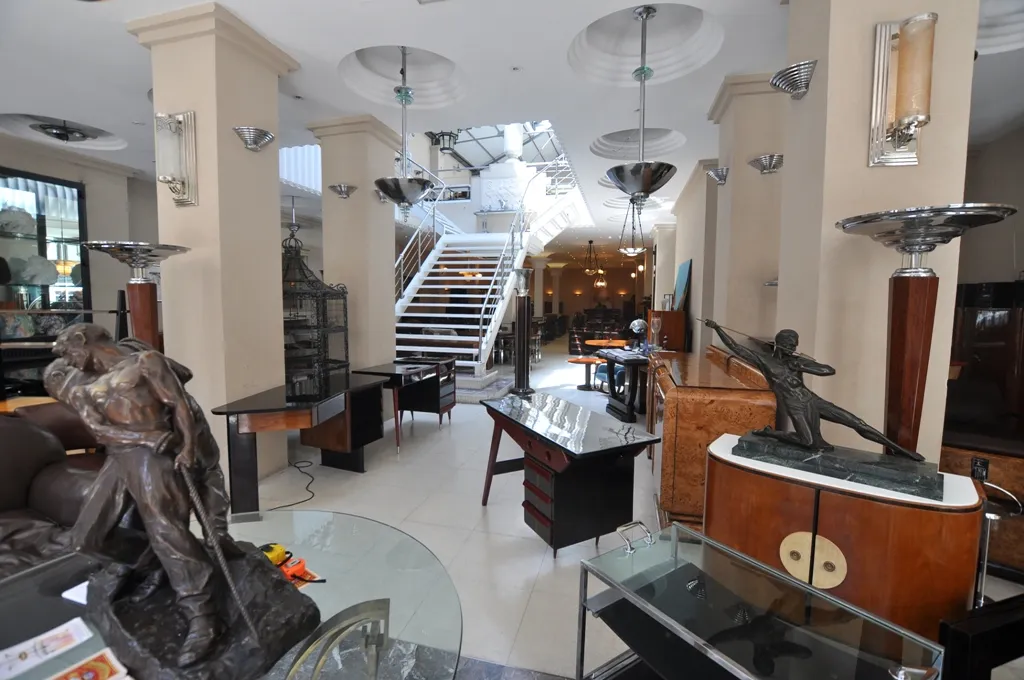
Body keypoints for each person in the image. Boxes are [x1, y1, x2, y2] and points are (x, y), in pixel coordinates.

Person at [46, 324, 226, 666]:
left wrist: (187, 446)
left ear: (84, 342)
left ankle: (202, 614)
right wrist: (143, 440)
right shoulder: (84, 388)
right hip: (125, 453)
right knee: (87, 537)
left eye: (68, 352)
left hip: (155, 456)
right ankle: (153, 563)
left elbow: (179, 404)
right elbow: (99, 430)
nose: (68, 361)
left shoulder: (146, 361)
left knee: (166, 529)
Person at [703, 319, 923, 461]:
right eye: (789, 343)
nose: (793, 347)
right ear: (779, 343)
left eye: (795, 344)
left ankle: (900, 451)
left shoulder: (796, 361)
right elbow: (736, 347)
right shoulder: (766, 362)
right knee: (808, 443)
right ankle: (770, 433)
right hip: (795, 406)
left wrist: (802, 364)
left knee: (857, 423)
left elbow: (829, 370)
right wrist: (718, 329)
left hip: (811, 400)